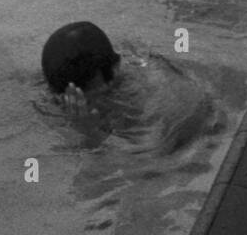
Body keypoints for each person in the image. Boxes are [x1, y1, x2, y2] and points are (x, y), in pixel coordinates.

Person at [41, 21, 222, 153]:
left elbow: (154, 158)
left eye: (88, 95)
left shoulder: (154, 92)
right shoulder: (95, 70)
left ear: (116, 68)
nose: (83, 103)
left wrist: (91, 135)